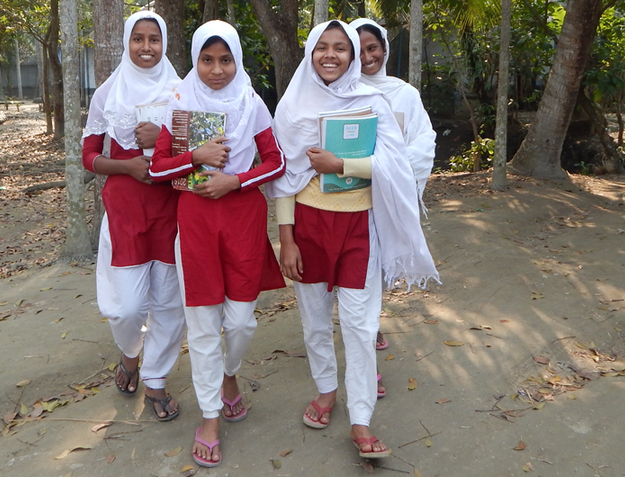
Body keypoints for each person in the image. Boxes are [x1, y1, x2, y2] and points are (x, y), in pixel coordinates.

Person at [266, 20, 439, 459]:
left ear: (353, 56)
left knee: (361, 327)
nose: (330, 55)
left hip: (360, 228)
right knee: (315, 320)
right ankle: (326, 391)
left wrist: (342, 163)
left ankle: (361, 418)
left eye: (340, 48)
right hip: (307, 227)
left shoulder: (372, 101)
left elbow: (396, 164)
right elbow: (284, 179)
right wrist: (286, 240)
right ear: (309, 52)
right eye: (322, 46)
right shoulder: (290, 107)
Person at [149, 20, 286, 468]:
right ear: (195, 60)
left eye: (225, 59)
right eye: (207, 60)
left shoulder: (252, 102)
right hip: (196, 225)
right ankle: (210, 417)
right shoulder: (180, 102)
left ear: (237, 60)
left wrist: (234, 181)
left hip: (243, 219)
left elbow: (275, 161)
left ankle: (230, 376)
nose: (216, 69)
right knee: (205, 324)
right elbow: (158, 169)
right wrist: (196, 157)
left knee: (242, 322)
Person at [81, 10, 185, 421]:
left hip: (172, 207)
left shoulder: (182, 91)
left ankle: (156, 380)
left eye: (153, 39)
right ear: (127, 43)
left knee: (168, 302)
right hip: (125, 209)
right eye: (138, 39)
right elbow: (89, 156)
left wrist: (163, 138)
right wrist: (126, 166)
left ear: (164, 45)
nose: (146, 47)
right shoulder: (108, 93)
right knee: (125, 307)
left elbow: (204, 146)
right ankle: (130, 353)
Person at [349, 18, 438, 395]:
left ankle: (372, 323)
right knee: (360, 275)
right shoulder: (342, 91)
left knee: (380, 270)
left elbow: (425, 142)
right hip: (351, 199)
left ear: (384, 48)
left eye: (373, 48)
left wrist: (388, 170)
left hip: (391, 198)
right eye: (360, 50)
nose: (368, 57)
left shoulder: (405, 94)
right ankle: (366, 355)